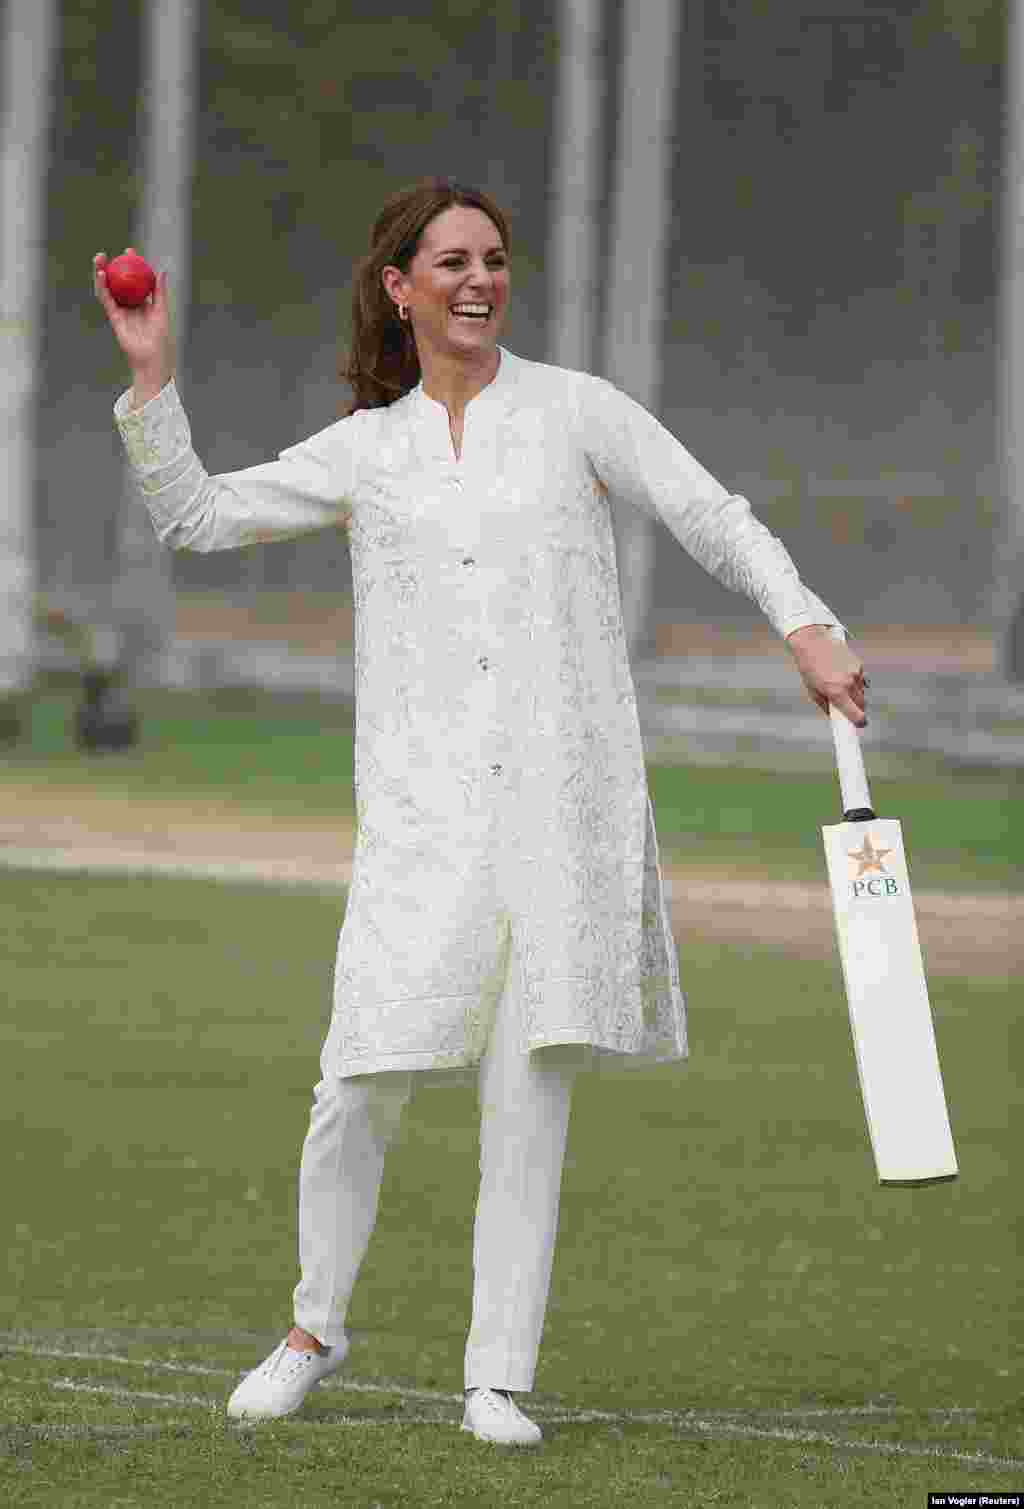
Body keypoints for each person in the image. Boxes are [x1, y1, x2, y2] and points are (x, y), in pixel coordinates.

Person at [94, 176, 869, 1448]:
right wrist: (150, 376)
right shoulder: (366, 448)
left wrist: (807, 624)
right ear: (398, 288)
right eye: (450, 261)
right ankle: (311, 1328)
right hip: (422, 816)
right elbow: (193, 516)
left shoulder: (575, 413)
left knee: (531, 1088)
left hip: (565, 806)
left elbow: (707, 514)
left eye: (495, 260)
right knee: (357, 1079)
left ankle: (493, 1375)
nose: (478, 280)